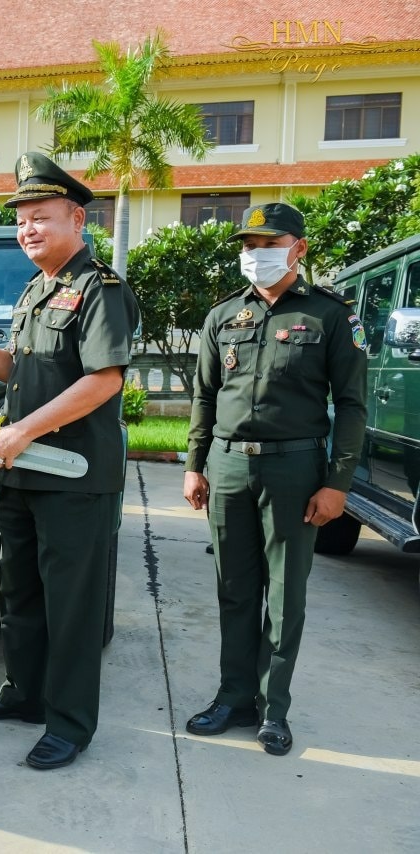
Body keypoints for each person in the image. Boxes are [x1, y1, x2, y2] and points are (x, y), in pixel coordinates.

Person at [0, 152, 139, 770]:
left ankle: (70, 724)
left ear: (76, 219)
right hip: (24, 471)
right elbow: (23, 371)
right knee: (20, 593)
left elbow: (103, 380)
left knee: (71, 607)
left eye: (41, 217)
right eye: (22, 220)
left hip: (74, 477)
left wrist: (22, 430)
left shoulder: (100, 289)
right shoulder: (37, 289)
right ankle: (25, 694)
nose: (28, 229)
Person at [182, 202, 368, 756]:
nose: (256, 254)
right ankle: (233, 697)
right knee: (235, 589)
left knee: (285, 595)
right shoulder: (223, 316)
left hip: (295, 469)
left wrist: (338, 483)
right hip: (228, 465)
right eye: (249, 245)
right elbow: (205, 395)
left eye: (269, 244)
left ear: (298, 249)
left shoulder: (330, 316)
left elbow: (352, 405)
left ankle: (272, 708)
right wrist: (194, 464)